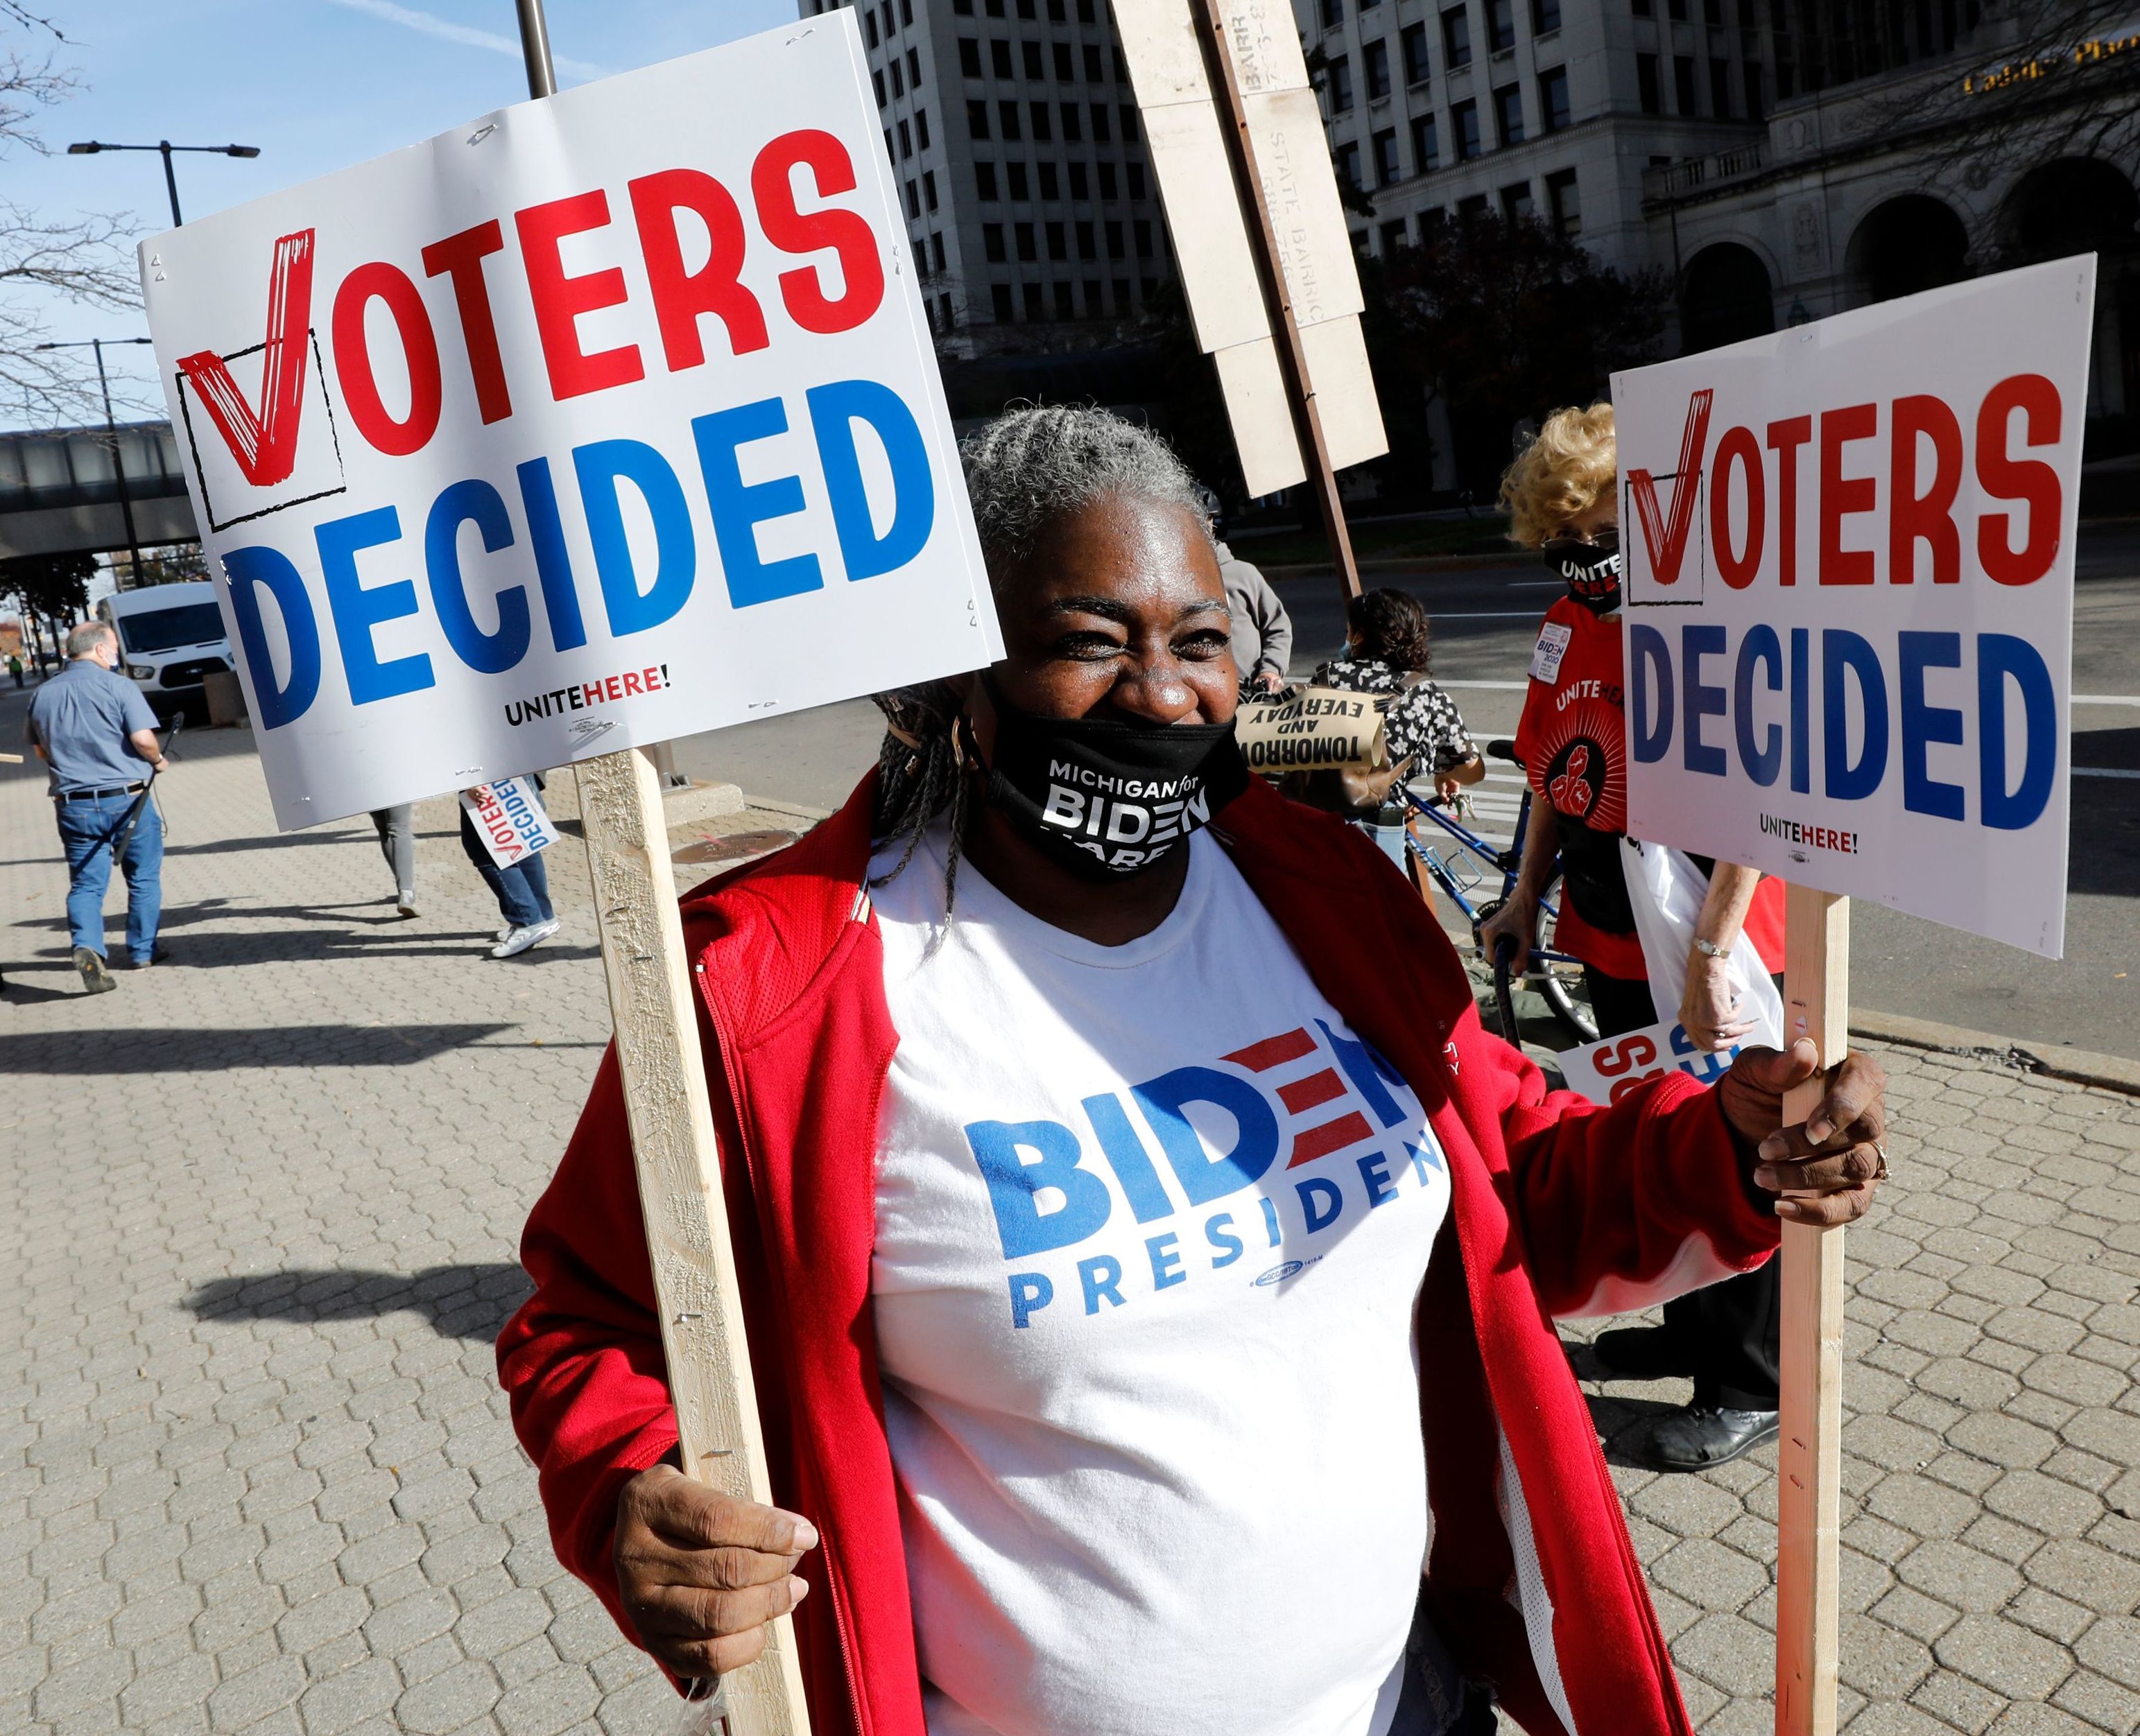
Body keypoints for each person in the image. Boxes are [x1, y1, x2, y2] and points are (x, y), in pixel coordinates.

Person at [497, 406, 1890, 1736]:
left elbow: (1511, 1182)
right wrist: (627, 1492)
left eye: (1199, 639)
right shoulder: (769, 986)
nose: (1160, 694)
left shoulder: (1323, 896)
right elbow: (596, 1318)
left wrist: (1731, 1147)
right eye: (1087, 643)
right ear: (956, 676)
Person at [1480, 403, 1793, 1472]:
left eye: (1596, 532)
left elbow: (1760, 790)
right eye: (1559, 539)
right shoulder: (1569, 622)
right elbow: (1547, 772)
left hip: (1718, 926)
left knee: (1735, 1142)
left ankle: (1749, 1382)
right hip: (1614, 919)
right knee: (1645, 1127)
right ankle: (1687, 1322)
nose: (1577, 558)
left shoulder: (1704, 619)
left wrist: (1710, 955)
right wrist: (1524, 901)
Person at [24, 620, 170, 994]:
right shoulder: (119, 686)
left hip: (73, 805)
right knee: (143, 877)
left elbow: (40, 750)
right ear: (102, 650)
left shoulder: (42, 695)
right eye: (115, 648)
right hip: (127, 800)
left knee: (86, 884)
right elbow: (143, 740)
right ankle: (142, 952)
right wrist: (157, 762)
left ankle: (88, 947)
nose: (117, 655)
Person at [1309, 589, 1486, 867]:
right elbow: (1472, 770)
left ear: (1360, 635)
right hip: (1381, 824)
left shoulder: (1327, 677)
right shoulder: (1424, 693)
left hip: (1317, 824)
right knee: (1384, 903)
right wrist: (1446, 772)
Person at [461, 777, 558, 958]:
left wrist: (471, 779)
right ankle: (543, 916)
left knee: (486, 849)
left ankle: (529, 922)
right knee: (517, 837)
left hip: (483, 773)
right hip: (509, 769)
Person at [1214, 526, 1293, 695]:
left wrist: (1270, 670)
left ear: (1211, 522)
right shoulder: (1172, 579)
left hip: (1252, 692)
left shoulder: (1243, 574)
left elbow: (1277, 628)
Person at [371, 805, 419, 920]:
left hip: (366, 789)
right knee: (399, 828)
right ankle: (406, 893)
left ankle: (405, 887)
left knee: (384, 829)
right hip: (394, 787)